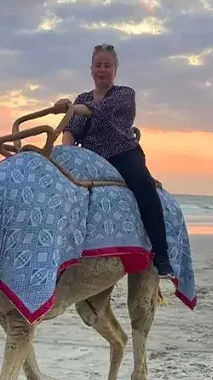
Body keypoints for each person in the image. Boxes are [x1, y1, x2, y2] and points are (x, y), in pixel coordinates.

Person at [56, 43, 173, 276]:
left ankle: (161, 254)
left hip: (122, 152)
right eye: (98, 65)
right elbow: (70, 130)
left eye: (107, 65)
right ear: (91, 69)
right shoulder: (82, 98)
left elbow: (100, 110)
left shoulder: (125, 94)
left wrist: (72, 108)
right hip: (90, 157)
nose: (102, 69)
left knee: (144, 187)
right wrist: (69, 151)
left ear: (115, 69)